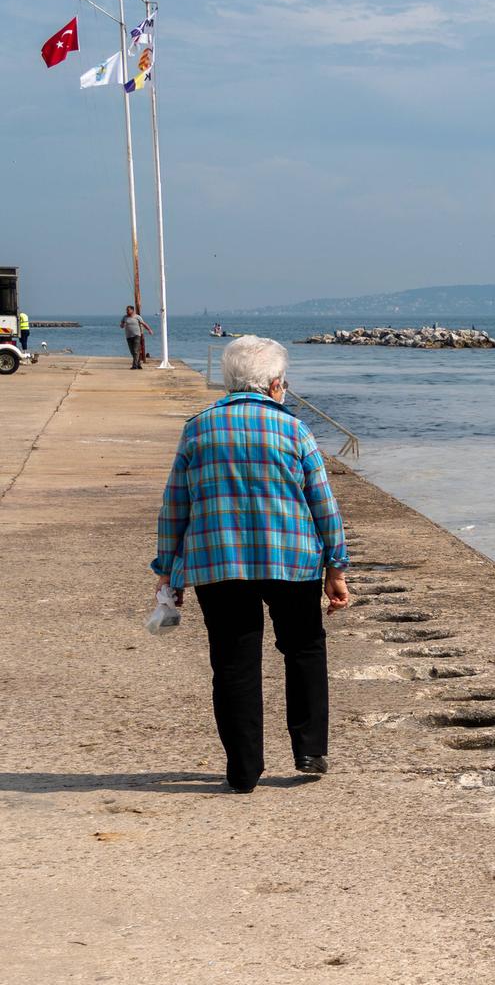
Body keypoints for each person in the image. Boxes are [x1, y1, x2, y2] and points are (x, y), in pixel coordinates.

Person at [151, 336, 352, 793]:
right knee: (303, 648)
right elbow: (323, 503)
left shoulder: (198, 429)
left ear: (230, 381)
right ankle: (310, 749)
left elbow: (174, 506)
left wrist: (168, 571)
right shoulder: (294, 430)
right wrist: (335, 569)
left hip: (217, 561)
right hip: (292, 559)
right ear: (276, 384)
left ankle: (242, 771)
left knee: (233, 662)